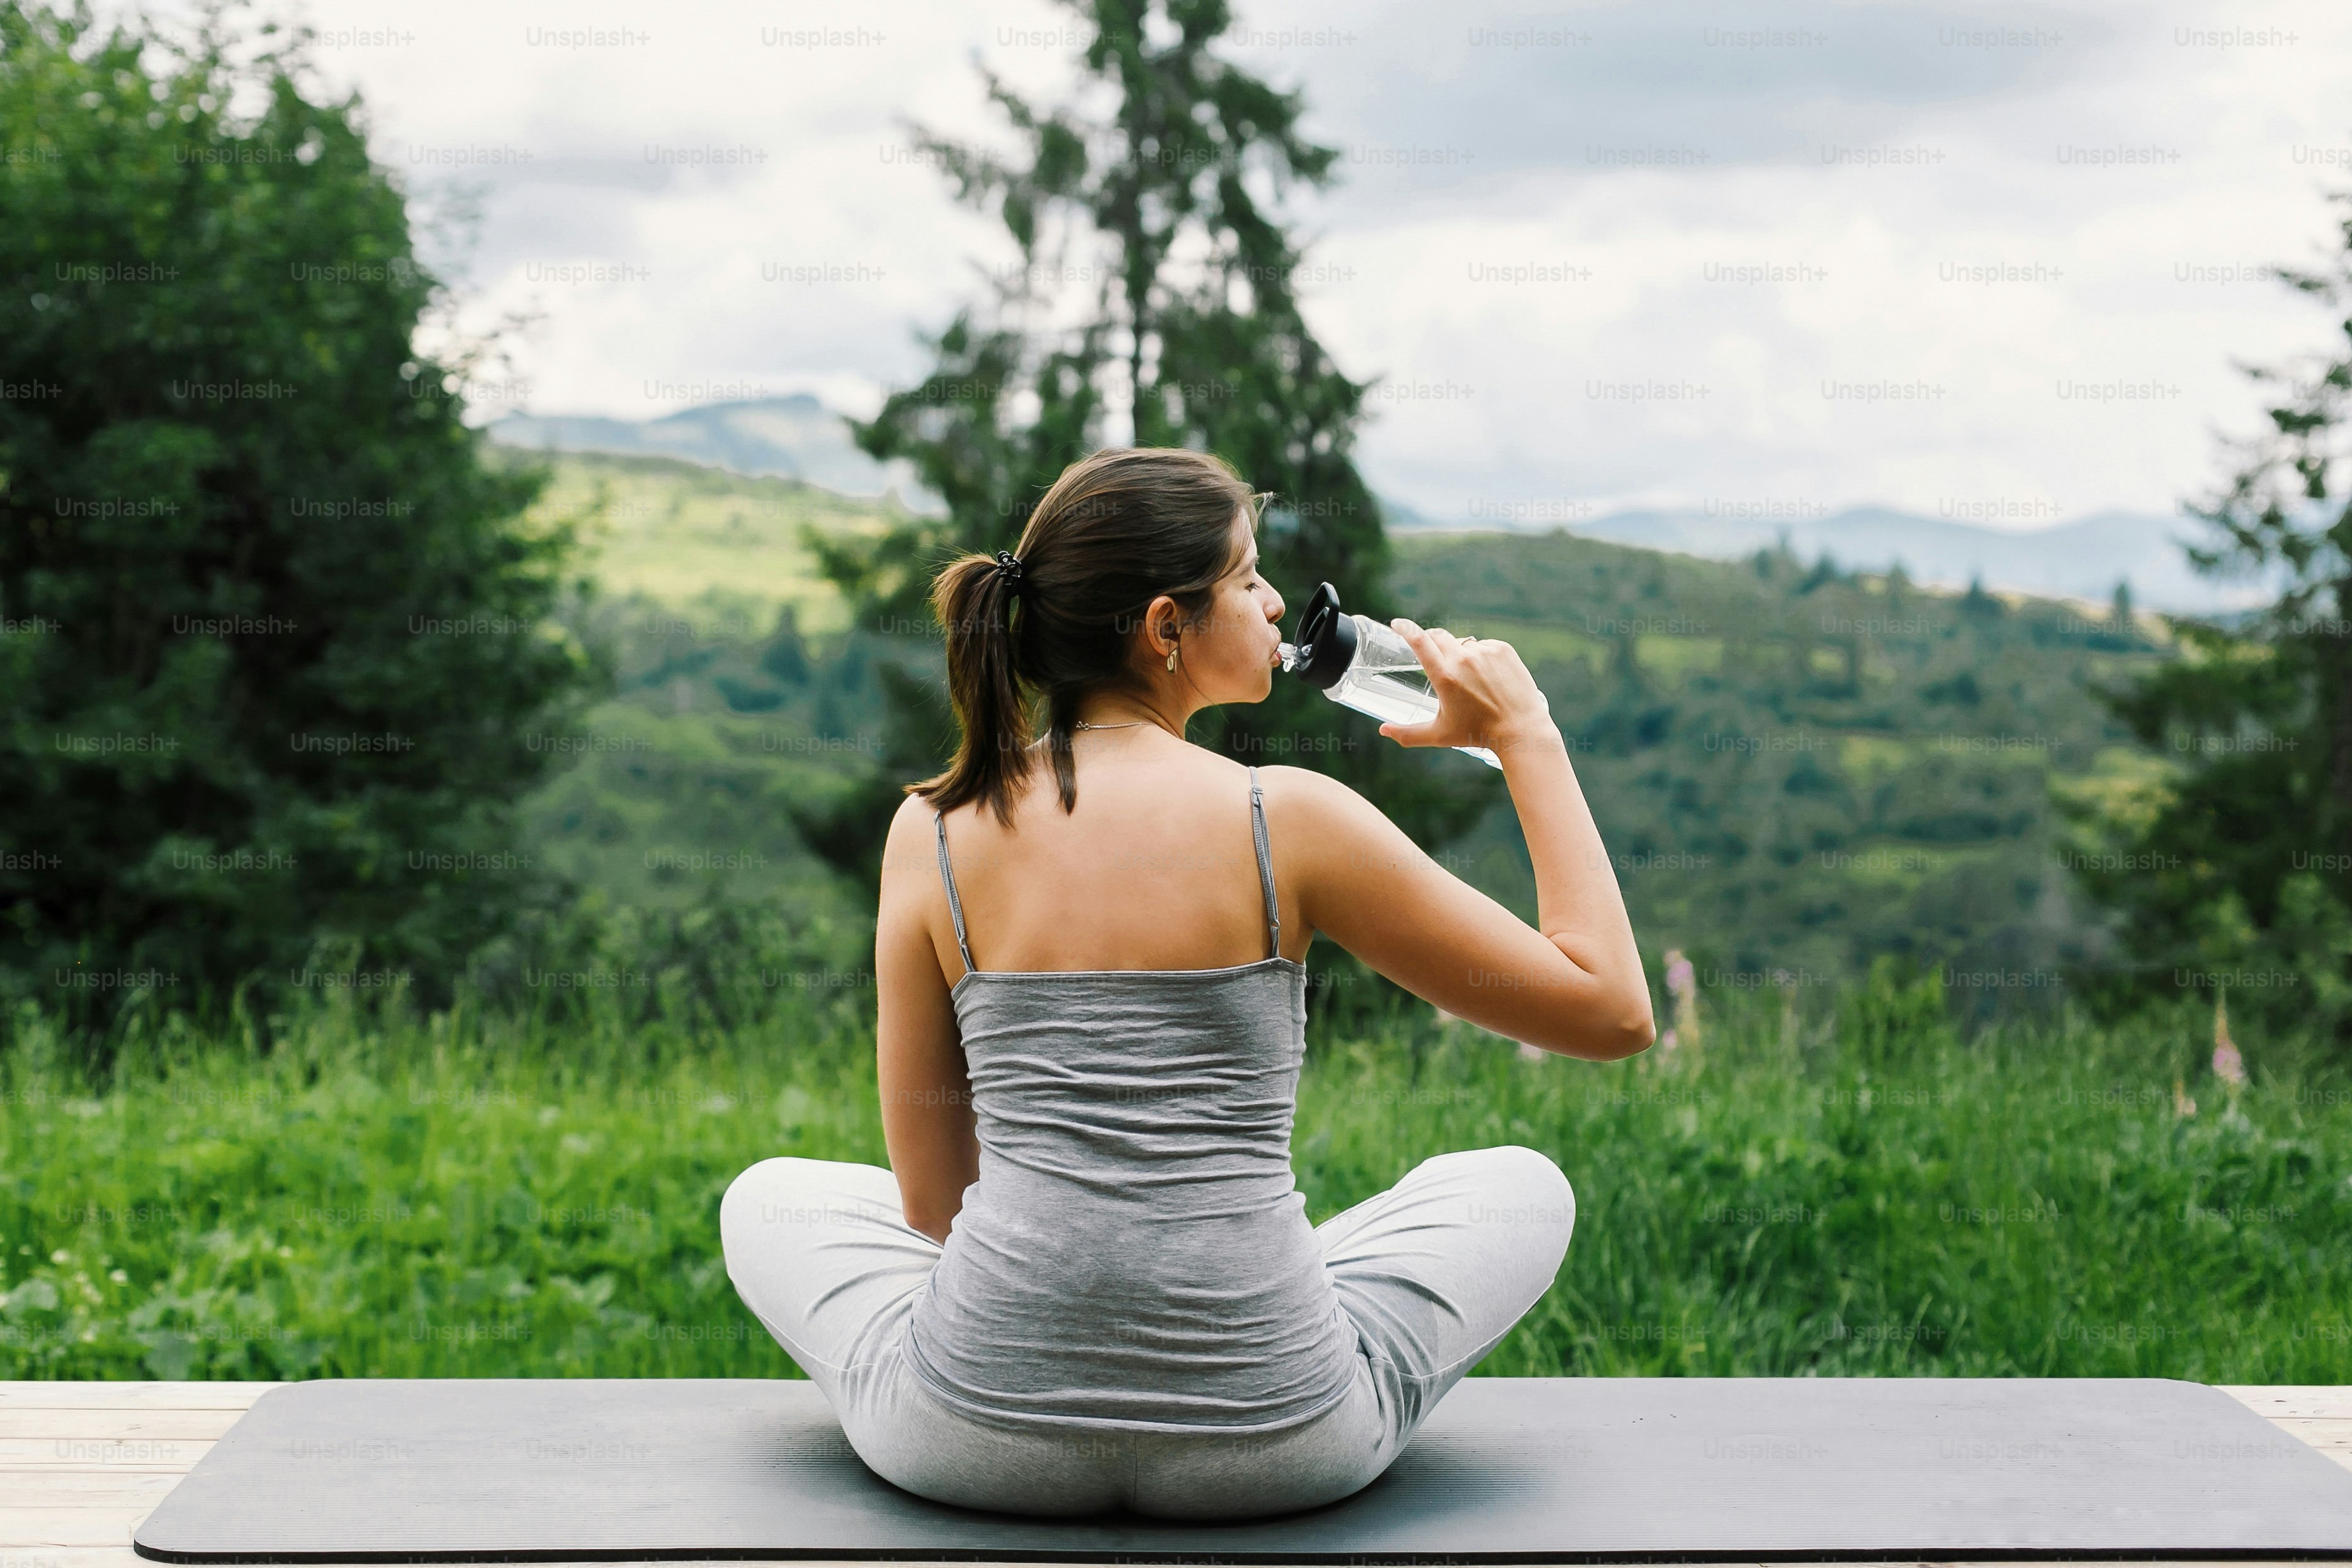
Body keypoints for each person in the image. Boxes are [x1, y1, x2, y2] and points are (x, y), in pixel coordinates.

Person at [722, 447, 1652, 1520]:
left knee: (771, 1197)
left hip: (970, 1435)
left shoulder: (930, 830)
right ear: (1167, 627)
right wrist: (1525, 735)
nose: (1273, 606)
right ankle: (1260, 1282)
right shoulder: (1287, 818)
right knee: (1519, 1184)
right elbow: (1614, 1011)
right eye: (1249, 578)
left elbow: (935, 1211)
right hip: (1278, 1440)